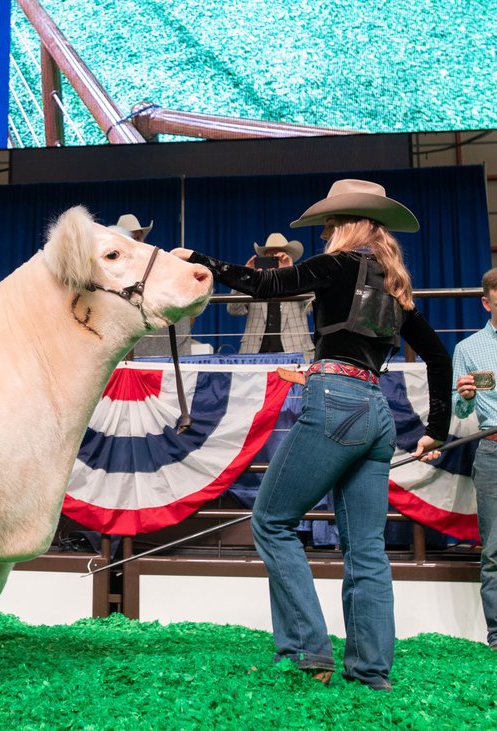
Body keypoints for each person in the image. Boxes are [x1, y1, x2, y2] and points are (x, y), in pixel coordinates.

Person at [173, 179, 452, 690]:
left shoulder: (337, 266)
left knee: (271, 521)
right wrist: (435, 429)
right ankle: (371, 671)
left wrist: (199, 258)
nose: (324, 233)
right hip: (376, 411)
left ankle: (307, 649)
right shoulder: (395, 287)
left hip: (333, 401)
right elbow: (437, 355)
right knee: (366, 547)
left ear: (346, 226)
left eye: (328, 224)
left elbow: (263, 286)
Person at [452, 267, 497, 650]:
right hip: (493, 448)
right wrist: (464, 396)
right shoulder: (467, 349)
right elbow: (460, 412)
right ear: (486, 302)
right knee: (495, 548)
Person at [109, 214, 195, 356]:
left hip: (165, 350)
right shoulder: (110, 272)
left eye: (138, 236)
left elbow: (191, 304)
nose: (136, 241)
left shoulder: (160, 263)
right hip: (130, 353)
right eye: (131, 236)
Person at [226, 233, 315, 361]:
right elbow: (233, 309)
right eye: (270, 257)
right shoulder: (255, 283)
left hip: (295, 354)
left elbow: (312, 302)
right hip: (255, 355)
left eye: (278, 257)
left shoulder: (298, 280)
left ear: (287, 258)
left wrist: (290, 274)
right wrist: (244, 278)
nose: (274, 261)